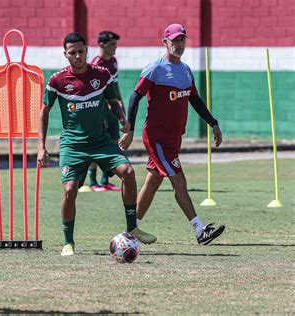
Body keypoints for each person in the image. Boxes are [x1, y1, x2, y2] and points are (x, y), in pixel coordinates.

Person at [37, 32, 157, 256]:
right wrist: (41, 147)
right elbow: (44, 111)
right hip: (73, 145)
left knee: (128, 172)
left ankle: (132, 228)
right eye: (72, 53)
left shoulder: (102, 75)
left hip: (101, 142)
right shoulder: (57, 80)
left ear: (86, 51)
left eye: (81, 51)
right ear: (65, 54)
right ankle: (68, 242)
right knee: (70, 190)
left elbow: (113, 101)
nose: (78, 56)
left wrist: (122, 120)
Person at [120, 23, 225, 245]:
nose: (179, 44)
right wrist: (129, 128)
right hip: (157, 138)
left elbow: (194, 99)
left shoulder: (186, 70)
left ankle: (131, 230)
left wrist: (213, 123)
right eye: (174, 40)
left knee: (153, 181)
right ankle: (199, 231)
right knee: (179, 180)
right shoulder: (155, 69)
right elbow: (134, 97)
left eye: (182, 40)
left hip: (173, 137)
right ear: (165, 42)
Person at [79, 31, 124, 193]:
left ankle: (105, 180)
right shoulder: (95, 64)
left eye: (116, 44)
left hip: (112, 111)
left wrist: (121, 107)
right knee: (97, 145)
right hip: (99, 111)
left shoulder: (113, 62)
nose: (115, 47)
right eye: (112, 44)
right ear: (101, 45)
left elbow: (115, 87)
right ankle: (92, 181)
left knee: (113, 143)